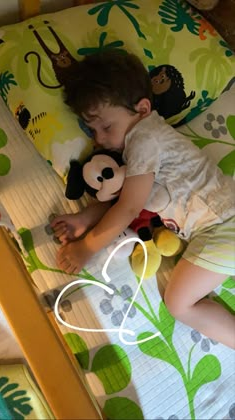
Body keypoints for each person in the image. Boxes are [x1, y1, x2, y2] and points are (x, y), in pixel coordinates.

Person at [51, 49, 235, 349]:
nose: (99, 139)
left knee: (179, 303)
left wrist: (87, 247)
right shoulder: (141, 144)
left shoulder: (144, 139)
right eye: (92, 130)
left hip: (222, 225)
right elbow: (126, 196)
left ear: (142, 108)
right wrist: (84, 218)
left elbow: (129, 207)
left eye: (106, 126)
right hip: (222, 224)